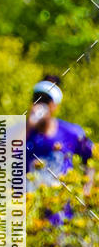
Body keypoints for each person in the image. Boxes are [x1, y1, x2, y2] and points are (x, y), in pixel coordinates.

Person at [26, 75, 93, 225]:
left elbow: (91, 157)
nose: (40, 104)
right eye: (37, 98)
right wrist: (29, 126)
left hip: (60, 212)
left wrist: (86, 190)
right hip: (28, 212)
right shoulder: (22, 132)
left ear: (54, 106)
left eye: (45, 100)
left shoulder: (71, 133)